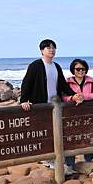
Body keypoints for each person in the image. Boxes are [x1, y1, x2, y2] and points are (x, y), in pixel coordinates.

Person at [20, 39, 83, 173]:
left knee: (54, 131)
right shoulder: (36, 65)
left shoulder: (56, 66)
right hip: (41, 104)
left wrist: (74, 95)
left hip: (55, 105)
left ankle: (53, 159)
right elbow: (27, 83)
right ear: (42, 51)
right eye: (48, 48)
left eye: (53, 47)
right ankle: (46, 159)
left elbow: (62, 85)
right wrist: (23, 100)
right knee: (43, 131)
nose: (51, 50)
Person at [63, 58, 93, 169]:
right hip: (72, 115)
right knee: (71, 140)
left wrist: (83, 96)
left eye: (83, 69)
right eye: (78, 69)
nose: (80, 71)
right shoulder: (67, 82)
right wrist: (73, 98)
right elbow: (62, 97)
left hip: (88, 115)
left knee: (89, 137)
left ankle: (88, 161)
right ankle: (70, 165)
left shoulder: (91, 81)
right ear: (73, 70)